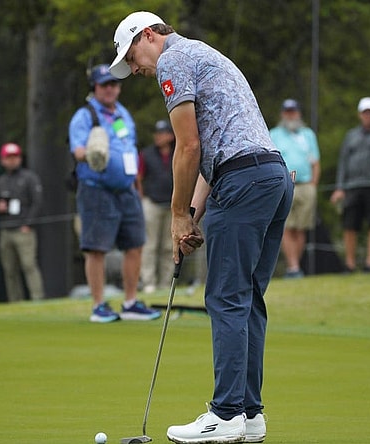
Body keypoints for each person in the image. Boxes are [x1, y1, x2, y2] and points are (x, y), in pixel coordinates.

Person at [110, 11, 293, 443]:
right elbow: (215, 151)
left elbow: (188, 147)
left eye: (132, 57)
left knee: (226, 297)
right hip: (273, 178)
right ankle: (250, 416)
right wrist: (191, 216)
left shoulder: (173, 61)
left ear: (149, 36)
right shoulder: (206, 55)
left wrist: (175, 215)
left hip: (243, 181)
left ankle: (226, 414)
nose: (134, 69)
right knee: (246, 299)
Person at [68, 63, 160, 323]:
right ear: (94, 87)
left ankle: (130, 302)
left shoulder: (122, 114)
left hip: (127, 189)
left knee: (136, 243)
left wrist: (135, 184)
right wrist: (90, 155)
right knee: (96, 248)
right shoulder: (85, 116)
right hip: (97, 189)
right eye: (104, 85)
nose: (110, 89)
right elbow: (77, 150)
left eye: (114, 84)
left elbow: (128, 147)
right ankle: (99, 306)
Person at [330, 97, 370, 273]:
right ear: (360, 114)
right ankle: (350, 264)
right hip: (352, 186)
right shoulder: (351, 135)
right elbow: (343, 162)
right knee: (349, 225)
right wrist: (340, 187)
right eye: (365, 113)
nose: (368, 116)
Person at [269, 98, 320, 278]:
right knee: (286, 226)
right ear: (283, 114)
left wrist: (313, 184)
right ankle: (293, 266)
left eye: (293, 111)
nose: (291, 115)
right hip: (285, 185)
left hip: (306, 185)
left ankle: (295, 267)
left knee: (301, 227)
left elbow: (315, 162)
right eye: (287, 111)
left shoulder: (308, 134)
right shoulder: (273, 134)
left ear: (298, 113)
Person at [0, 143, 45, 301]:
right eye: (9, 157)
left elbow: (37, 202)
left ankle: (37, 298)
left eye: (15, 157)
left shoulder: (29, 177)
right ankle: (15, 301)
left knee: (29, 265)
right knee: (9, 270)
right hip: (6, 229)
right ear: (2, 160)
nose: (12, 161)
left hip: (24, 230)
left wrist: (28, 224)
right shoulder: (0, 181)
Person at [137, 119, 176, 293]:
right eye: (157, 133)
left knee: (169, 246)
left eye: (162, 133)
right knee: (150, 245)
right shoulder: (146, 154)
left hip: (173, 204)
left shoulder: (178, 152)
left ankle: (165, 283)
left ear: (170, 135)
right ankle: (149, 282)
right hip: (151, 202)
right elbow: (138, 177)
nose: (158, 137)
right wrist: (141, 197)